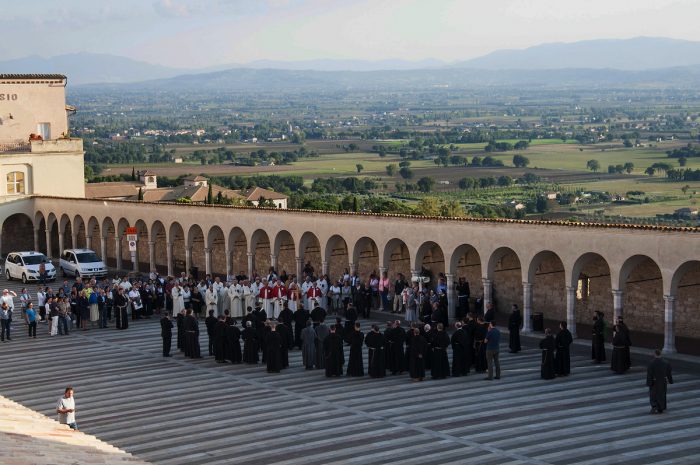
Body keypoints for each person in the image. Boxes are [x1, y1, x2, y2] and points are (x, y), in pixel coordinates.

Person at [646, 349, 673, 414]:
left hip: (654, 381)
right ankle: (661, 407)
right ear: (660, 354)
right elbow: (669, 372)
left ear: (655, 354)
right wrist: (670, 380)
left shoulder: (651, 363)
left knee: (653, 394)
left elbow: (649, 374)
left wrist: (649, 383)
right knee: (662, 394)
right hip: (663, 381)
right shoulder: (666, 362)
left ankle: (654, 406)